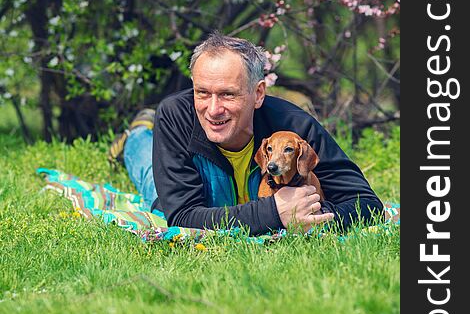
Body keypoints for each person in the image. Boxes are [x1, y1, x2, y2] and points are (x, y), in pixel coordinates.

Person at [109, 31, 383, 235]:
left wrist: (312, 214)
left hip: (228, 208)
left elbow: (368, 204)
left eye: (228, 95)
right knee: (148, 178)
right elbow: (182, 215)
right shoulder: (176, 114)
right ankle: (137, 134)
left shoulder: (294, 128)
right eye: (202, 92)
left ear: (258, 93)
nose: (213, 110)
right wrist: (275, 212)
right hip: (192, 196)